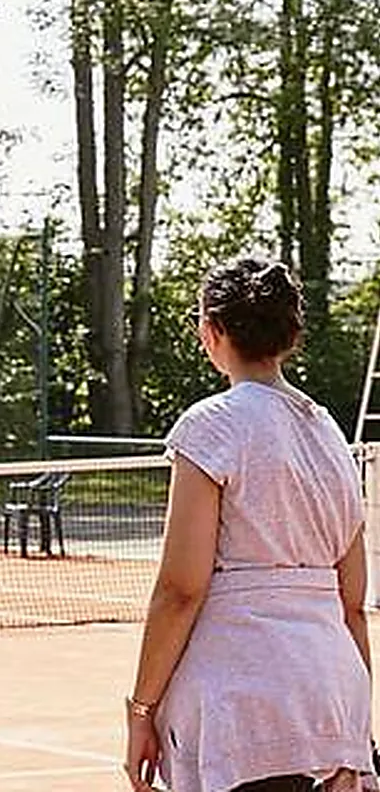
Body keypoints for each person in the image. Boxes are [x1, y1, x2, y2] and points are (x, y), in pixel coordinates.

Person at [125, 257, 375, 792]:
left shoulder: (211, 425)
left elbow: (180, 590)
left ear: (211, 331)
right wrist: (356, 723)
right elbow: (352, 602)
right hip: (332, 696)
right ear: (290, 333)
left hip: (241, 703)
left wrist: (141, 709)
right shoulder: (331, 435)